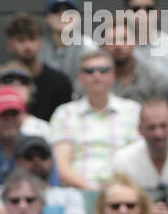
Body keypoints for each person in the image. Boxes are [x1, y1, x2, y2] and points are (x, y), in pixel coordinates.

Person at [49, 48, 141, 191]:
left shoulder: (134, 111)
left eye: (103, 70)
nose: (97, 75)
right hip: (78, 192)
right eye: (89, 71)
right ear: (80, 77)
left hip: (125, 193)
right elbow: (61, 165)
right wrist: (91, 191)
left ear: (113, 75)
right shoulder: (64, 113)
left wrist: (113, 192)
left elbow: (140, 160)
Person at [0, 135, 87, 214]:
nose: (37, 161)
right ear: (17, 161)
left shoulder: (70, 194)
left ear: (51, 160)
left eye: (43, 156)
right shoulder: (0, 193)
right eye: (29, 156)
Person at [0, 14, 74, 122]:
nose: (28, 46)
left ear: (40, 42)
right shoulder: (1, 80)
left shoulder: (59, 81)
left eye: (32, 39)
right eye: (21, 40)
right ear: (10, 45)